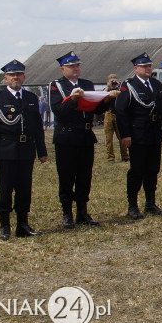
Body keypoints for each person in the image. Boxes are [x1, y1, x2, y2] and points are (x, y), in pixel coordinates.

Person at [49, 51, 117, 229]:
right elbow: (59, 111)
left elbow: (95, 109)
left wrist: (107, 100)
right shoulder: (56, 86)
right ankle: (66, 214)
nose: (76, 69)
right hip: (66, 137)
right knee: (66, 177)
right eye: (72, 66)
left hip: (85, 136)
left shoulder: (86, 84)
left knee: (84, 177)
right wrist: (73, 99)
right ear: (63, 68)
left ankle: (82, 212)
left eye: (77, 66)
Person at [0, 60, 48, 240]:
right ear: (5, 78)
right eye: (12, 75)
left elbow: (36, 127)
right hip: (6, 151)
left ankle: (22, 225)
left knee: (24, 189)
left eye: (19, 74)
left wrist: (41, 151)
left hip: (26, 150)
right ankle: (4, 226)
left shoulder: (30, 98)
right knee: (5, 189)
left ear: (24, 77)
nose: (16, 78)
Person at [115, 52, 162, 220]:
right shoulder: (128, 85)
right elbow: (121, 112)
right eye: (144, 66)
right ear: (136, 68)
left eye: (149, 65)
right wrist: (125, 135)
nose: (148, 68)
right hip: (137, 133)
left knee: (153, 169)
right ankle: (132, 205)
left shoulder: (156, 84)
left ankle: (150, 203)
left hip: (154, 131)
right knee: (137, 170)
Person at [104, 73, 128, 163]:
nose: (113, 82)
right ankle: (111, 157)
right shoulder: (106, 90)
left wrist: (118, 86)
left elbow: (124, 95)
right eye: (111, 81)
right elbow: (101, 98)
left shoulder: (120, 89)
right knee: (109, 138)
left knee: (121, 136)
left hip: (118, 114)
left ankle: (125, 156)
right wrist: (108, 87)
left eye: (114, 80)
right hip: (108, 114)